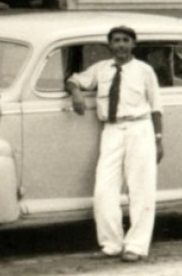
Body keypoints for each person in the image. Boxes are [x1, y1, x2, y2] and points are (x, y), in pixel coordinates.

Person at [66, 25, 162, 262]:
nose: (121, 45)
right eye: (116, 40)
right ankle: (111, 244)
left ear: (133, 44)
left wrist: (158, 139)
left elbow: (156, 107)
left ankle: (136, 246)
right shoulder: (101, 69)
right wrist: (76, 92)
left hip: (140, 127)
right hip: (111, 130)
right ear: (109, 45)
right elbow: (74, 80)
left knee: (141, 189)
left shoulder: (145, 71)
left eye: (126, 40)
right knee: (104, 189)